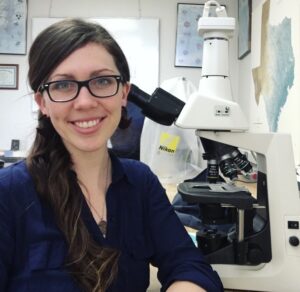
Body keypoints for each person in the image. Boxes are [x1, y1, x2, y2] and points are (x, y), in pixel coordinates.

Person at [0, 18, 223, 292]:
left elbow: (189, 264)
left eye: (103, 81)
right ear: (42, 102)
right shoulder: (8, 193)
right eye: (62, 85)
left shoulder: (140, 183)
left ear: (124, 93)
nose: (85, 102)